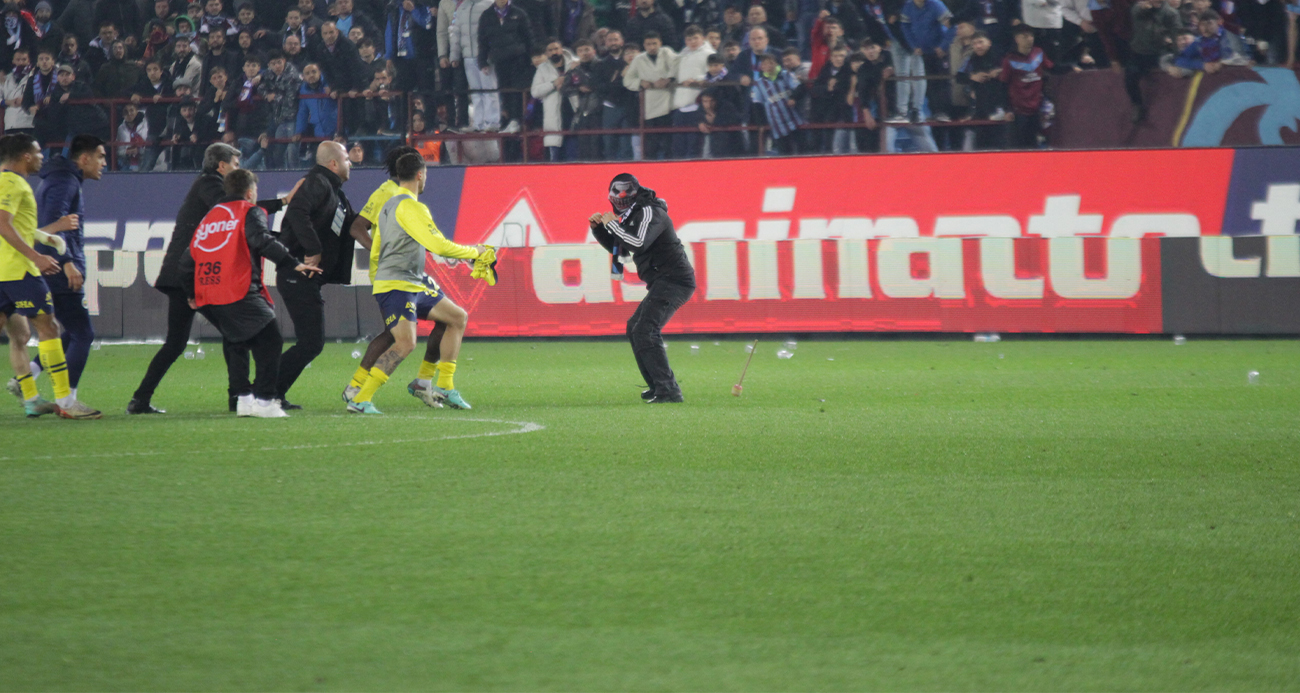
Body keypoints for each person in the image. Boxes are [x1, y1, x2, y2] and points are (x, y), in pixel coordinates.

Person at [128, 143, 300, 415]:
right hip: (191, 273)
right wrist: (282, 203)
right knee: (235, 336)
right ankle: (248, 396)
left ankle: (238, 396)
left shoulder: (207, 187)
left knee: (210, 339)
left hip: (191, 271)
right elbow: (238, 206)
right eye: (234, 163)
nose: (237, 168)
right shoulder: (210, 185)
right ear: (220, 166)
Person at [348, 153, 485, 414]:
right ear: (420, 175)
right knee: (405, 343)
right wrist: (475, 252)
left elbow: (377, 245)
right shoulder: (412, 207)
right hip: (398, 283)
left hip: (409, 281)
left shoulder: (389, 204)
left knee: (456, 317)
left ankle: (442, 385)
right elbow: (438, 245)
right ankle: (360, 398)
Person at [179, 169, 319, 418]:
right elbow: (261, 240)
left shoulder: (210, 217)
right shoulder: (249, 210)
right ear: (250, 191)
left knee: (237, 341)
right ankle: (265, 401)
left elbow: (187, 261)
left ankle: (243, 398)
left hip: (206, 293)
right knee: (271, 341)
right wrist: (293, 263)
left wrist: (191, 293)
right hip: (236, 288)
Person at [0, 133, 98, 418]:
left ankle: (32, 399)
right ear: (26, 156)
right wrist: (37, 256)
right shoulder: (11, 182)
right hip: (18, 271)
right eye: (39, 152)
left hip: (5, 270)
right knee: (50, 329)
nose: (43, 157)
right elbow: (3, 225)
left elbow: (17, 226)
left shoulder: (9, 182)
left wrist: (46, 237)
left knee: (22, 333)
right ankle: (66, 403)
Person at [342, 145, 449, 407]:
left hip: (411, 274)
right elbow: (357, 227)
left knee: (452, 317)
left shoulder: (405, 196)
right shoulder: (387, 193)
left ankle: (425, 382)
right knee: (397, 336)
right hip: (392, 274)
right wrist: (382, 254)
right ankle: (356, 388)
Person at [588, 173, 694, 404]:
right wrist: (600, 230)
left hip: (674, 280)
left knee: (645, 329)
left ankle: (668, 390)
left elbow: (637, 243)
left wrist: (613, 226)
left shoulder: (649, 211)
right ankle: (658, 385)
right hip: (663, 280)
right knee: (635, 327)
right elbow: (623, 251)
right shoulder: (633, 214)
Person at [275, 141, 360, 407]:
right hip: (297, 272)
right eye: (347, 159)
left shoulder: (336, 193)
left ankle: (270, 392)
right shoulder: (317, 182)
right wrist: (314, 249)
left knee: (311, 343)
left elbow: (354, 226)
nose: (351, 164)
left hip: (306, 277)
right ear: (333, 163)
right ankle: (265, 390)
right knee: (311, 343)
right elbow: (298, 212)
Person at [624, 31, 677, 159]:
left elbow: (677, 65)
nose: (652, 47)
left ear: (660, 43)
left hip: (668, 106)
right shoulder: (639, 59)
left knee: (668, 144)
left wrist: (668, 79)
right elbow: (627, 80)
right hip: (649, 108)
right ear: (644, 45)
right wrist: (640, 83)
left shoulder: (667, 53)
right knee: (650, 146)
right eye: (648, 44)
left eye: (654, 43)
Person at [1000, 25, 1052, 148]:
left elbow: (1052, 67)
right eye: (1025, 36)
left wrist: (1071, 67)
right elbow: (1002, 85)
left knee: (1036, 144)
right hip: (1019, 110)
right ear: (1017, 39)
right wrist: (1007, 109)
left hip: (1037, 107)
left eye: (1031, 36)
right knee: (1020, 145)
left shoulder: (1038, 53)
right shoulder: (1010, 59)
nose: (1029, 39)